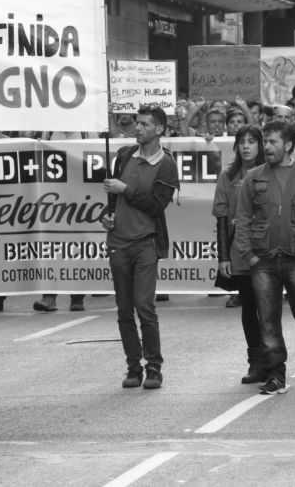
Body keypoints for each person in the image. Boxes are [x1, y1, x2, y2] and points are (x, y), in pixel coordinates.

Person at [233, 120, 295, 395]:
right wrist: (248, 255)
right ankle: (275, 374)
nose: (267, 147)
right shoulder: (253, 177)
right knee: (268, 320)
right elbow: (242, 218)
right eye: (266, 141)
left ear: (287, 145)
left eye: (272, 141)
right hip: (262, 260)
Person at [101, 105, 178, 391]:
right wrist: (106, 217)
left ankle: (154, 367)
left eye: (145, 124)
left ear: (159, 129)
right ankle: (133, 367)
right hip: (118, 242)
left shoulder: (166, 163)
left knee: (144, 306)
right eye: (137, 123)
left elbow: (157, 205)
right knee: (123, 309)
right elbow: (112, 200)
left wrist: (125, 190)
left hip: (146, 242)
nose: (139, 128)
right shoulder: (123, 155)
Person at [212, 126, 265, 384]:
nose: (246, 146)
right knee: (249, 307)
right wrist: (223, 256)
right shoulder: (228, 175)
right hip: (239, 252)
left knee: (269, 307)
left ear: (261, 145)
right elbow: (222, 217)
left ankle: (273, 359)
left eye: (252, 141)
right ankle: (255, 362)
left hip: (268, 252)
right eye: (241, 142)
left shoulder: (271, 171)